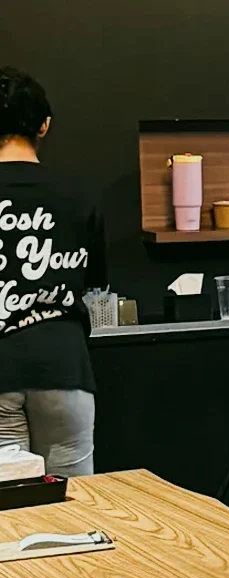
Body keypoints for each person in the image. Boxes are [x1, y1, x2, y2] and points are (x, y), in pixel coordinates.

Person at [0, 66, 103, 476]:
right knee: (74, 499)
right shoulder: (78, 194)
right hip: (64, 365)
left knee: (6, 501)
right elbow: (95, 282)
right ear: (44, 125)